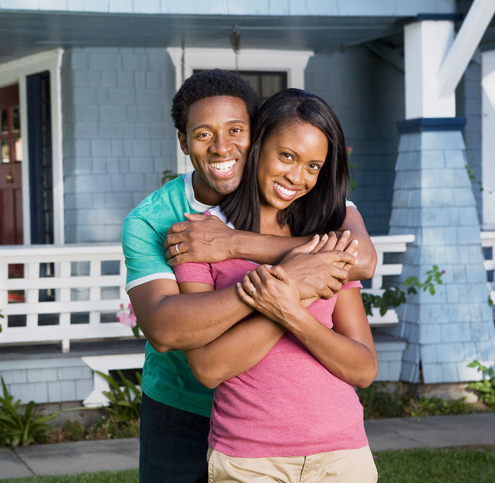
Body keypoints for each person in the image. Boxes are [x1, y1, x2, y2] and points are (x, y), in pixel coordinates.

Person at [121, 69, 377, 483]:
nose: (222, 147)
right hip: (182, 402)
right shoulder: (161, 222)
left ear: (256, 134)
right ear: (184, 142)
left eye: (235, 129)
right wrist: (290, 286)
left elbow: (361, 261)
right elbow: (166, 330)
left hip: (309, 430)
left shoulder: (316, 210)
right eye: (203, 134)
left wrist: (235, 244)